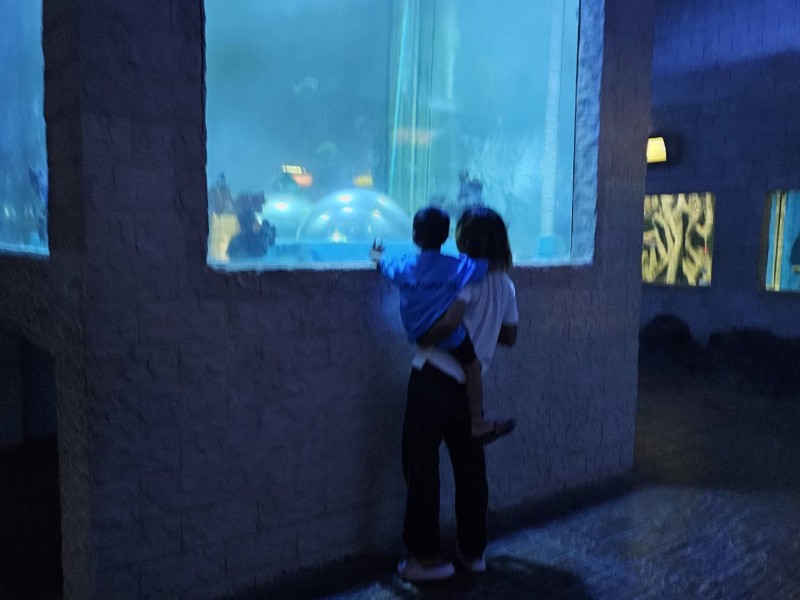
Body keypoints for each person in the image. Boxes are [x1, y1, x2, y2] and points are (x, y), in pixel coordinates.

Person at [394, 206, 519, 582]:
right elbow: (509, 336)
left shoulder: (462, 278)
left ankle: (426, 559)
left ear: (463, 237)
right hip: (468, 390)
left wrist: (424, 335)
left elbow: (448, 321)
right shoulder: (505, 285)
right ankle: (473, 552)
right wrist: (485, 327)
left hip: (433, 377)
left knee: (422, 469)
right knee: (470, 470)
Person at [372, 206, 515, 443]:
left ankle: (477, 424)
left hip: (427, 354)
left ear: (415, 236)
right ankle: (478, 422)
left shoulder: (406, 265)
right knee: (473, 367)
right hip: (457, 359)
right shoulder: (463, 269)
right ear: (447, 236)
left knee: (419, 454)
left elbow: (384, 265)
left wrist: (376, 255)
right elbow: (509, 336)